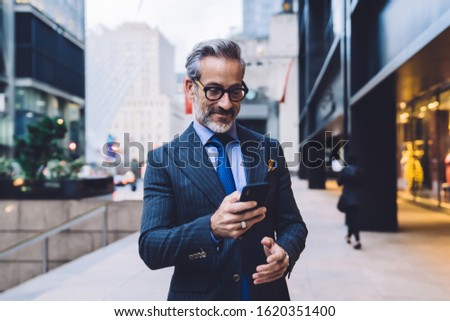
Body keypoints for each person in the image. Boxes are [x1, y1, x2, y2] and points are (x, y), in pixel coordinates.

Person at [138, 39, 308, 301]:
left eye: (236, 91)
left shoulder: (269, 149)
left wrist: (284, 252)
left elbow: (293, 224)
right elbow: (151, 247)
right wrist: (210, 228)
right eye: (214, 91)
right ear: (189, 88)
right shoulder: (163, 160)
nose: (227, 104)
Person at [337, 154, 364, 250]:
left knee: (352, 219)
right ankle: (348, 236)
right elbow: (364, 184)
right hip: (358, 198)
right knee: (352, 218)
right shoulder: (361, 170)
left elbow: (339, 183)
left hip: (347, 197)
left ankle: (357, 240)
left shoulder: (345, 170)